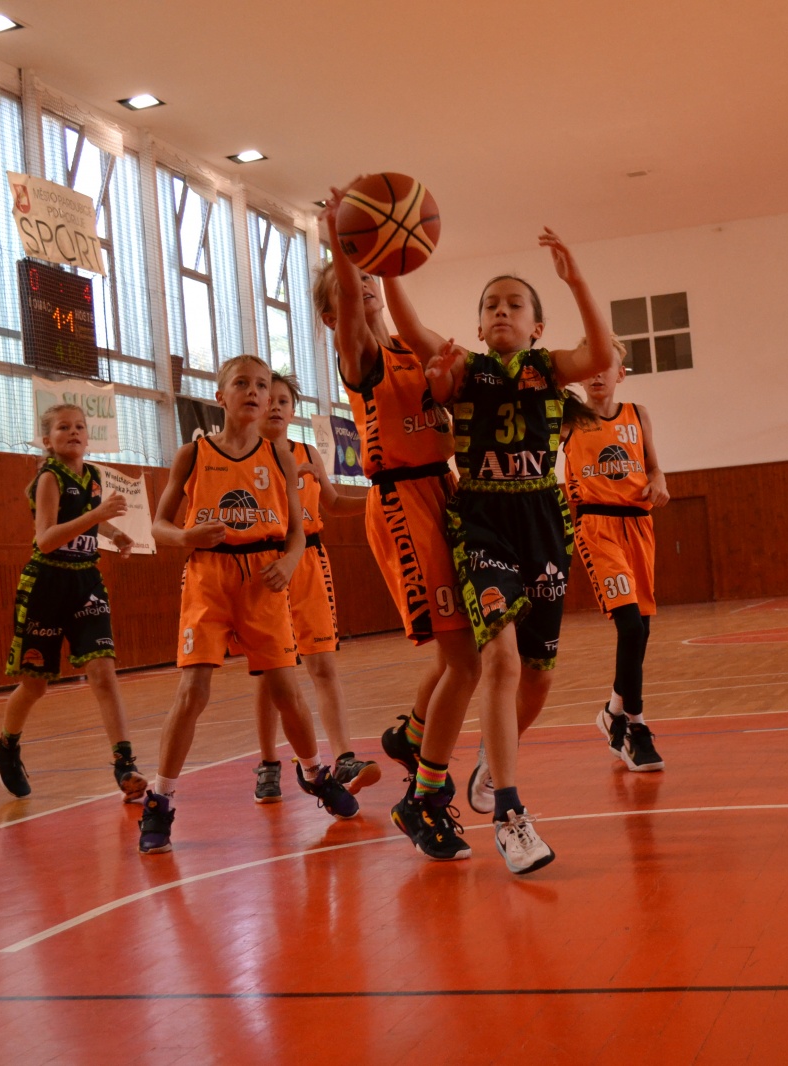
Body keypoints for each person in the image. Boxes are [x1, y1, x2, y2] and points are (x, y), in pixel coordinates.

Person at [387, 226, 621, 874]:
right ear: (479, 324)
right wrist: (388, 266)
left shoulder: (550, 369)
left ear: (537, 326)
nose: (501, 311)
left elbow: (600, 352)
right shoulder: (466, 367)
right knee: (501, 658)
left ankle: (496, 758)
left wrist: (576, 279)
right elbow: (410, 330)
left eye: (515, 304)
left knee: (538, 674)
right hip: (482, 519)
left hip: (543, 519)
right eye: (491, 303)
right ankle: (511, 816)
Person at [137, 356, 357, 854]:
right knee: (193, 691)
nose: (254, 392)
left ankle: (314, 774)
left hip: (263, 576)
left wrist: (291, 560)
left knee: (286, 689)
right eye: (242, 383)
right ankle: (160, 799)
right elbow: (159, 526)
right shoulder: (192, 454)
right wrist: (186, 535)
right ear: (221, 396)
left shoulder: (280, 456)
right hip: (208, 576)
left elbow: (298, 531)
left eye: (261, 385)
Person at [319, 188, 479, 863]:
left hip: (448, 491)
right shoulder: (360, 358)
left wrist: (385, 259)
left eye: (371, 279)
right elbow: (355, 306)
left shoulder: (416, 351)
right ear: (333, 314)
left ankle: (412, 736)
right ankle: (423, 795)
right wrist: (344, 246)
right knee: (465, 660)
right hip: (401, 504)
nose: (366, 289)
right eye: (351, 288)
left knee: (463, 649)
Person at [0, 403, 147, 802]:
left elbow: (87, 517)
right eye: (63, 427)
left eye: (79, 426)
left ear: (88, 436)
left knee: (104, 673)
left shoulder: (92, 476)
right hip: (47, 583)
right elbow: (46, 539)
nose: (73, 432)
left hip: (85, 581)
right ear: (48, 440)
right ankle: (6, 746)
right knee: (36, 685)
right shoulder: (48, 477)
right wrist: (98, 515)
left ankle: (124, 762)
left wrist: (114, 533)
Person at [247, 371, 378, 802]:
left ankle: (344, 757)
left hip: (309, 562)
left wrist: (381, 498)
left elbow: (334, 503)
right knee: (271, 673)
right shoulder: (243, 457)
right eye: (270, 399)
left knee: (323, 665)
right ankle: (268, 762)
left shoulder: (306, 453)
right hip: (267, 564)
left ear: (293, 410)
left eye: (284, 401)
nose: (276, 406)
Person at [561, 351, 669, 771]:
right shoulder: (568, 418)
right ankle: (635, 728)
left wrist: (659, 481)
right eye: (587, 368)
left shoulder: (637, 414)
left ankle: (613, 711)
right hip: (597, 526)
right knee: (629, 625)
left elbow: (654, 467)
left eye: (604, 367)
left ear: (620, 373)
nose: (595, 375)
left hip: (639, 525)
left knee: (642, 627)